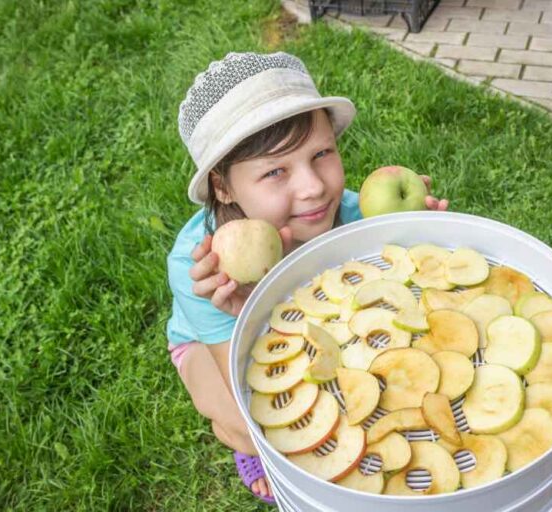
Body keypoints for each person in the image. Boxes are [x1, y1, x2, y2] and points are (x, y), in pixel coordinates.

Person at [166, 51, 449, 505]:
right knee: (250, 426)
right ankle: (239, 443)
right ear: (223, 187)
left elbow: (400, 291)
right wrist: (251, 307)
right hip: (214, 341)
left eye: (321, 154)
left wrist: (418, 234)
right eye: (275, 171)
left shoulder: (357, 216)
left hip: (323, 320)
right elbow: (244, 381)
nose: (314, 186)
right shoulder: (205, 267)